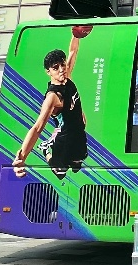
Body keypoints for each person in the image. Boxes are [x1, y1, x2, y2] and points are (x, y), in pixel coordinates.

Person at [13, 28, 88, 179]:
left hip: (78, 136)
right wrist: (21, 158)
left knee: (77, 166)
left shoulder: (67, 76)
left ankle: (71, 159)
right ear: (48, 72)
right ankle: (46, 149)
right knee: (60, 174)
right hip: (64, 140)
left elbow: (73, 51)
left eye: (63, 65)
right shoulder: (52, 97)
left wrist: (76, 34)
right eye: (55, 68)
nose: (61, 70)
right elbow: (37, 128)